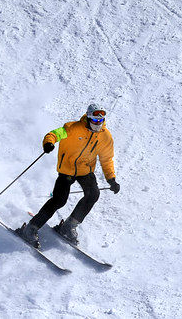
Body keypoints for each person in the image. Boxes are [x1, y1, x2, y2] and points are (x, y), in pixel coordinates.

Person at [16, 103, 120, 248]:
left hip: (86, 171)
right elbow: (54, 134)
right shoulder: (73, 128)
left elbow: (107, 159)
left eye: (101, 121)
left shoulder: (105, 137)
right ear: (89, 118)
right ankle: (31, 229)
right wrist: (49, 143)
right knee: (59, 200)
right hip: (67, 170)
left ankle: (69, 227)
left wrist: (111, 179)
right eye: (95, 121)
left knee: (93, 194)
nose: (98, 124)